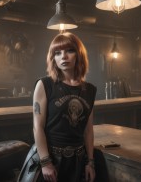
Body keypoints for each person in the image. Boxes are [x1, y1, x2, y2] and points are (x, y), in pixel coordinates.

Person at [33, 32, 97, 182]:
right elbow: (37, 126)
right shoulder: (45, 84)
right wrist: (45, 162)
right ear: (53, 58)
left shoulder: (90, 90)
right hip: (52, 160)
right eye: (58, 53)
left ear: (79, 54)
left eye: (69, 50)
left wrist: (91, 162)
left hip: (79, 161)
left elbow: (88, 130)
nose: (63, 56)